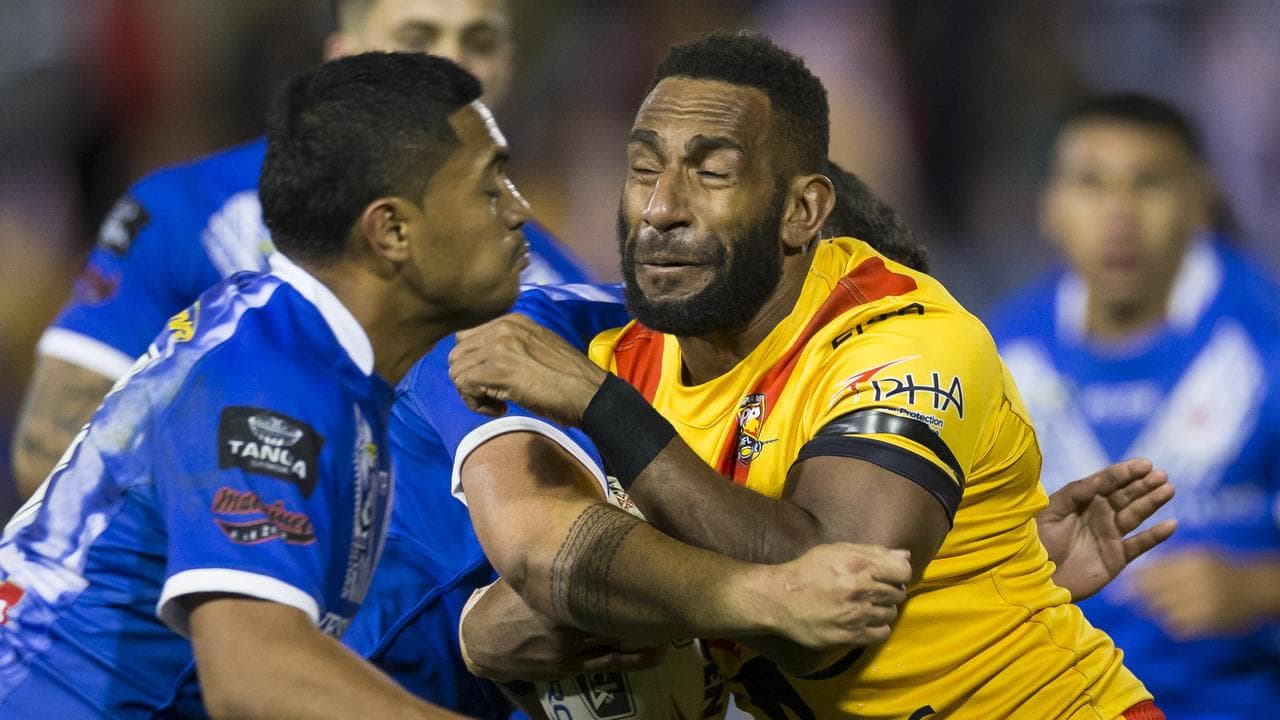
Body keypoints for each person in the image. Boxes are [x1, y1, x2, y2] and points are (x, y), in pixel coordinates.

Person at [444, 31, 1168, 719]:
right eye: (642, 170)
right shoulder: (624, 361)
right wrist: (483, 625)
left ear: (801, 211)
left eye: (712, 173)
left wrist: (606, 415)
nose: (661, 209)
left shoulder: (910, 341)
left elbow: (825, 594)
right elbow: (537, 600)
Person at [0, 51, 531, 719]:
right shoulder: (272, 380)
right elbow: (255, 678)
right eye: (491, 187)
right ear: (392, 229)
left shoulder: (313, 356)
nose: (520, 210)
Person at [9, 0, 591, 500]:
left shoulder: (554, 288)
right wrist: (255, 550)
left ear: (510, 65)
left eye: (479, 41)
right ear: (345, 57)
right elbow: (49, 448)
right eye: (415, 39)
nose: (450, 65)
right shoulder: (189, 212)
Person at [986, 92, 1280, 719]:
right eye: (1092, 184)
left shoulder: (1268, 341)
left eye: (1149, 184)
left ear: (1200, 203)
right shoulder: (997, 356)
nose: (1119, 214)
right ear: (1050, 209)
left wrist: (1257, 588)